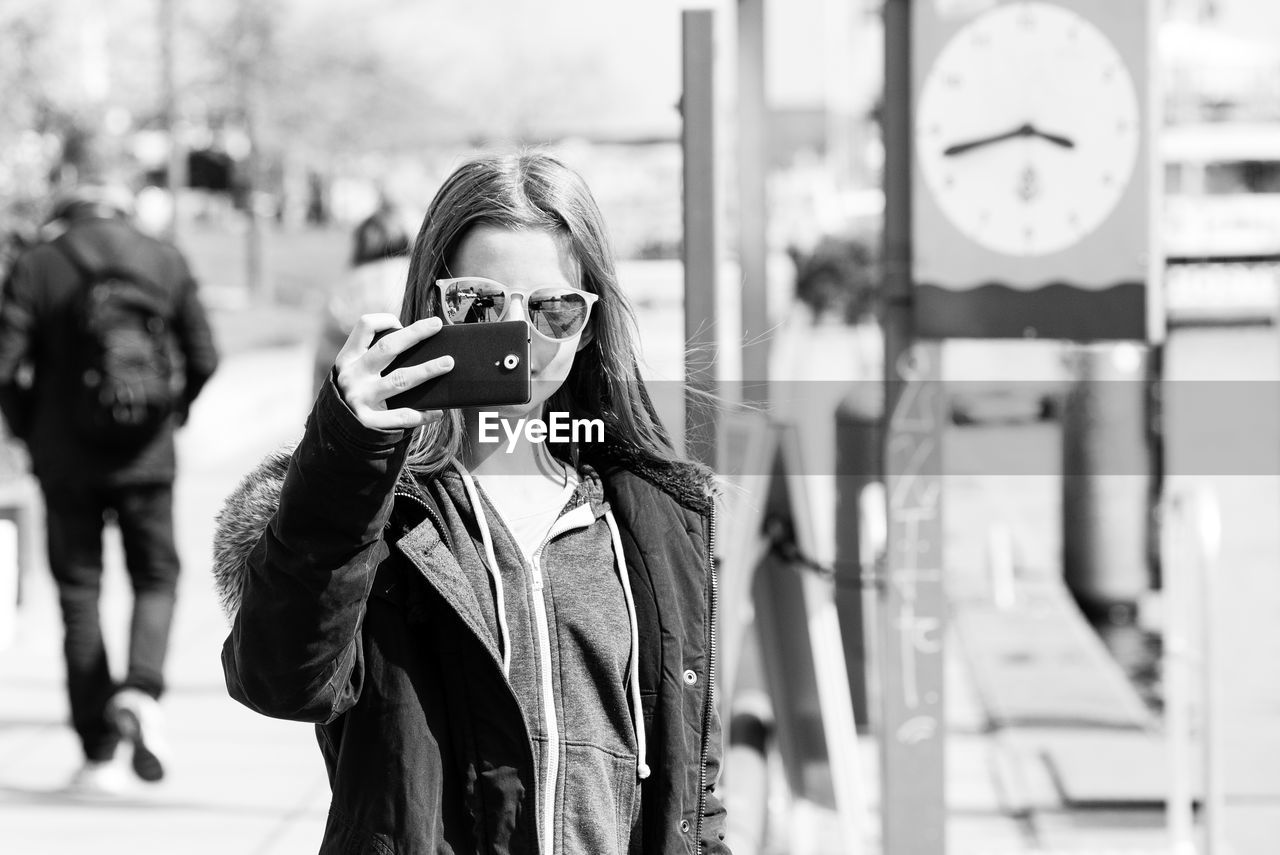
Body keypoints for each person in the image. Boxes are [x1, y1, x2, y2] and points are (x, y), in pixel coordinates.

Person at [214, 152, 730, 854]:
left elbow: (693, 796)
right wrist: (347, 453)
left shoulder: (650, 522)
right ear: (434, 305)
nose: (520, 336)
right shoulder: (381, 513)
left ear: (587, 325)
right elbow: (279, 678)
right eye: (482, 304)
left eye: (553, 307)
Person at [0, 183, 220, 794]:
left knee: (78, 591)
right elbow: (205, 355)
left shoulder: (37, 265)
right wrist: (170, 413)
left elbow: (4, 364)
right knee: (156, 576)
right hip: (146, 456)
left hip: (64, 459)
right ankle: (141, 691)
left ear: (63, 215)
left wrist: (29, 426)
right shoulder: (163, 257)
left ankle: (97, 751)